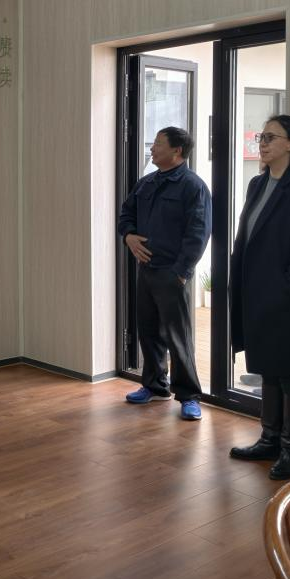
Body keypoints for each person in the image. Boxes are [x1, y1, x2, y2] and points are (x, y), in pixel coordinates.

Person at [228, 115, 290, 479]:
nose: (263, 143)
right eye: (261, 137)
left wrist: (285, 291)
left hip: (287, 302)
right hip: (255, 296)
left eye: (270, 137)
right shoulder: (257, 184)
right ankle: (269, 440)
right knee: (268, 370)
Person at [117, 127, 212, 421]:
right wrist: (129, 236)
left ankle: (189, 396)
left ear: (177, 151)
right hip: (146, 270)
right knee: (148, 331)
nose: (152, 148)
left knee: (177, 336)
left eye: (158, 144)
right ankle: (155, 386)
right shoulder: (146, 183)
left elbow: (199, 232)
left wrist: (181, 273)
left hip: (173, 273)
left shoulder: (193, 186)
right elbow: (126, 214)